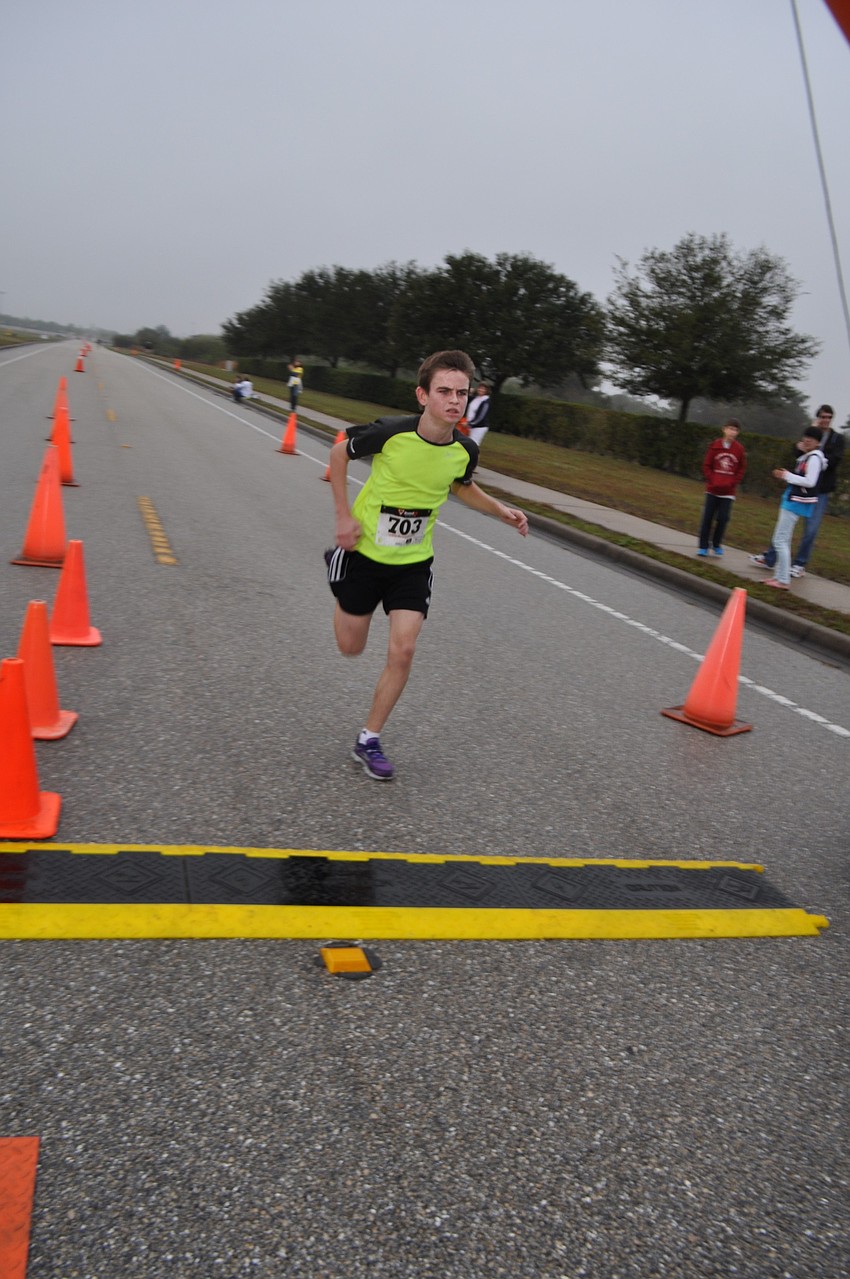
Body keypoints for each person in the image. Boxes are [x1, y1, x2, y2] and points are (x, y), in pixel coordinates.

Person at [325, 349, 528, 780]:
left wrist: (500, 510)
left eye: (462, 393)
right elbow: (340, 453)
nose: (454, 400)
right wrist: (343, 517)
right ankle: (336, 565)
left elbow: (462, 487)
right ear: (422, 395)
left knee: (404, 648)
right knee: (350, 647)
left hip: (413, 563)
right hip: (362, 554)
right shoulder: (390, 434)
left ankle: (369, 739)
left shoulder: (464, 450)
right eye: (444, 392)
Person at [750, 405, 844, 577]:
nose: (826, 420)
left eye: (829, 417)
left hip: (819, 491)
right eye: (823, 416)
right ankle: (771, 559)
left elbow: (832, 462)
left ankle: (798, 565)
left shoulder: (836, 439)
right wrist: (809, 440)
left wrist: (814, 451)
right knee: (783, 530)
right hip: (799, 491)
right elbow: (797, 452)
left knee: (810, 529)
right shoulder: (811, 435)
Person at [763, 423, 826, 590]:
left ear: (818, 442)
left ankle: (783, 580)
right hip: (793, 500)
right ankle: (779, 577)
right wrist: (787, 475)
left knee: (780, 540)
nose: (807, 440)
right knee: (783, 540)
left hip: (795, 502)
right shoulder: (808, 457)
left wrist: (787, 475)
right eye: (805, 437)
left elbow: (810, 481)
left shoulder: (813, 458)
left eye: (811, 438)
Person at [696, 418, 746, 558]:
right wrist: (711, 478)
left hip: (728, 492)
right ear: (724, 429)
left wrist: (733, 482)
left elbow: (742, 468)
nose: (732, 432)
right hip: (712, 489)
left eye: (735, 430)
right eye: (730, 428)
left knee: (723, 518)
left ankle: (716, 544)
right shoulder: (715, 445)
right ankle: (703, 546)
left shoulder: (739, 449)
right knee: (707, 518)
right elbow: (707, 465)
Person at [465, 382, 491, 447]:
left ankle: (474, 457)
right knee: (466, 444)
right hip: (470, 425)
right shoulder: (476, 398)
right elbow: (466, 398)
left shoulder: (486, 401)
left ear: (487, 391)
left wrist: (470, 424)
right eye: (480, 388)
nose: (481, 390)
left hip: (479, 427)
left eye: (483, 389)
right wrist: (469, 391)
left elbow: (481, 417)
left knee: (473, 445)